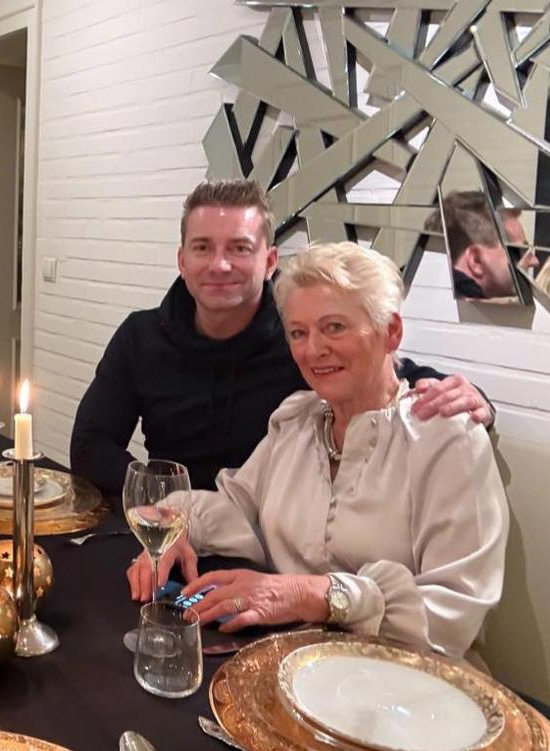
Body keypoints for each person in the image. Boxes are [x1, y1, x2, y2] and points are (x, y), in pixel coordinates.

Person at [127, 242, 508, 660]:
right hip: (287, 660)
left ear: (391, 332)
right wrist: (178, 523)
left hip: (406, 678)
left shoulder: (446, 439)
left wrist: (313, 594)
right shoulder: (296, 420)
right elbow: (239, 507)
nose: (312, 350)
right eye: (298, 333)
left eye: (334, 327)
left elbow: (457, 611)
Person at [70, 179, 493, 496]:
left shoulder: (304, 342)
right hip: (175, 528)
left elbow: (387, 371)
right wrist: (164, 498)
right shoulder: (140, 337)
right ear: (182, 261)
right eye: (202, 248)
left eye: (239, 248)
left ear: (270, 260)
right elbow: (91, 444)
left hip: (271, 545)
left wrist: (476, 399)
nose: (219, 265)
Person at [425, 190, 526, 299]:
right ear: (476, 260)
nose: (534, 261)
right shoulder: (453, 307)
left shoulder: (423, 294)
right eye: (518, 252)